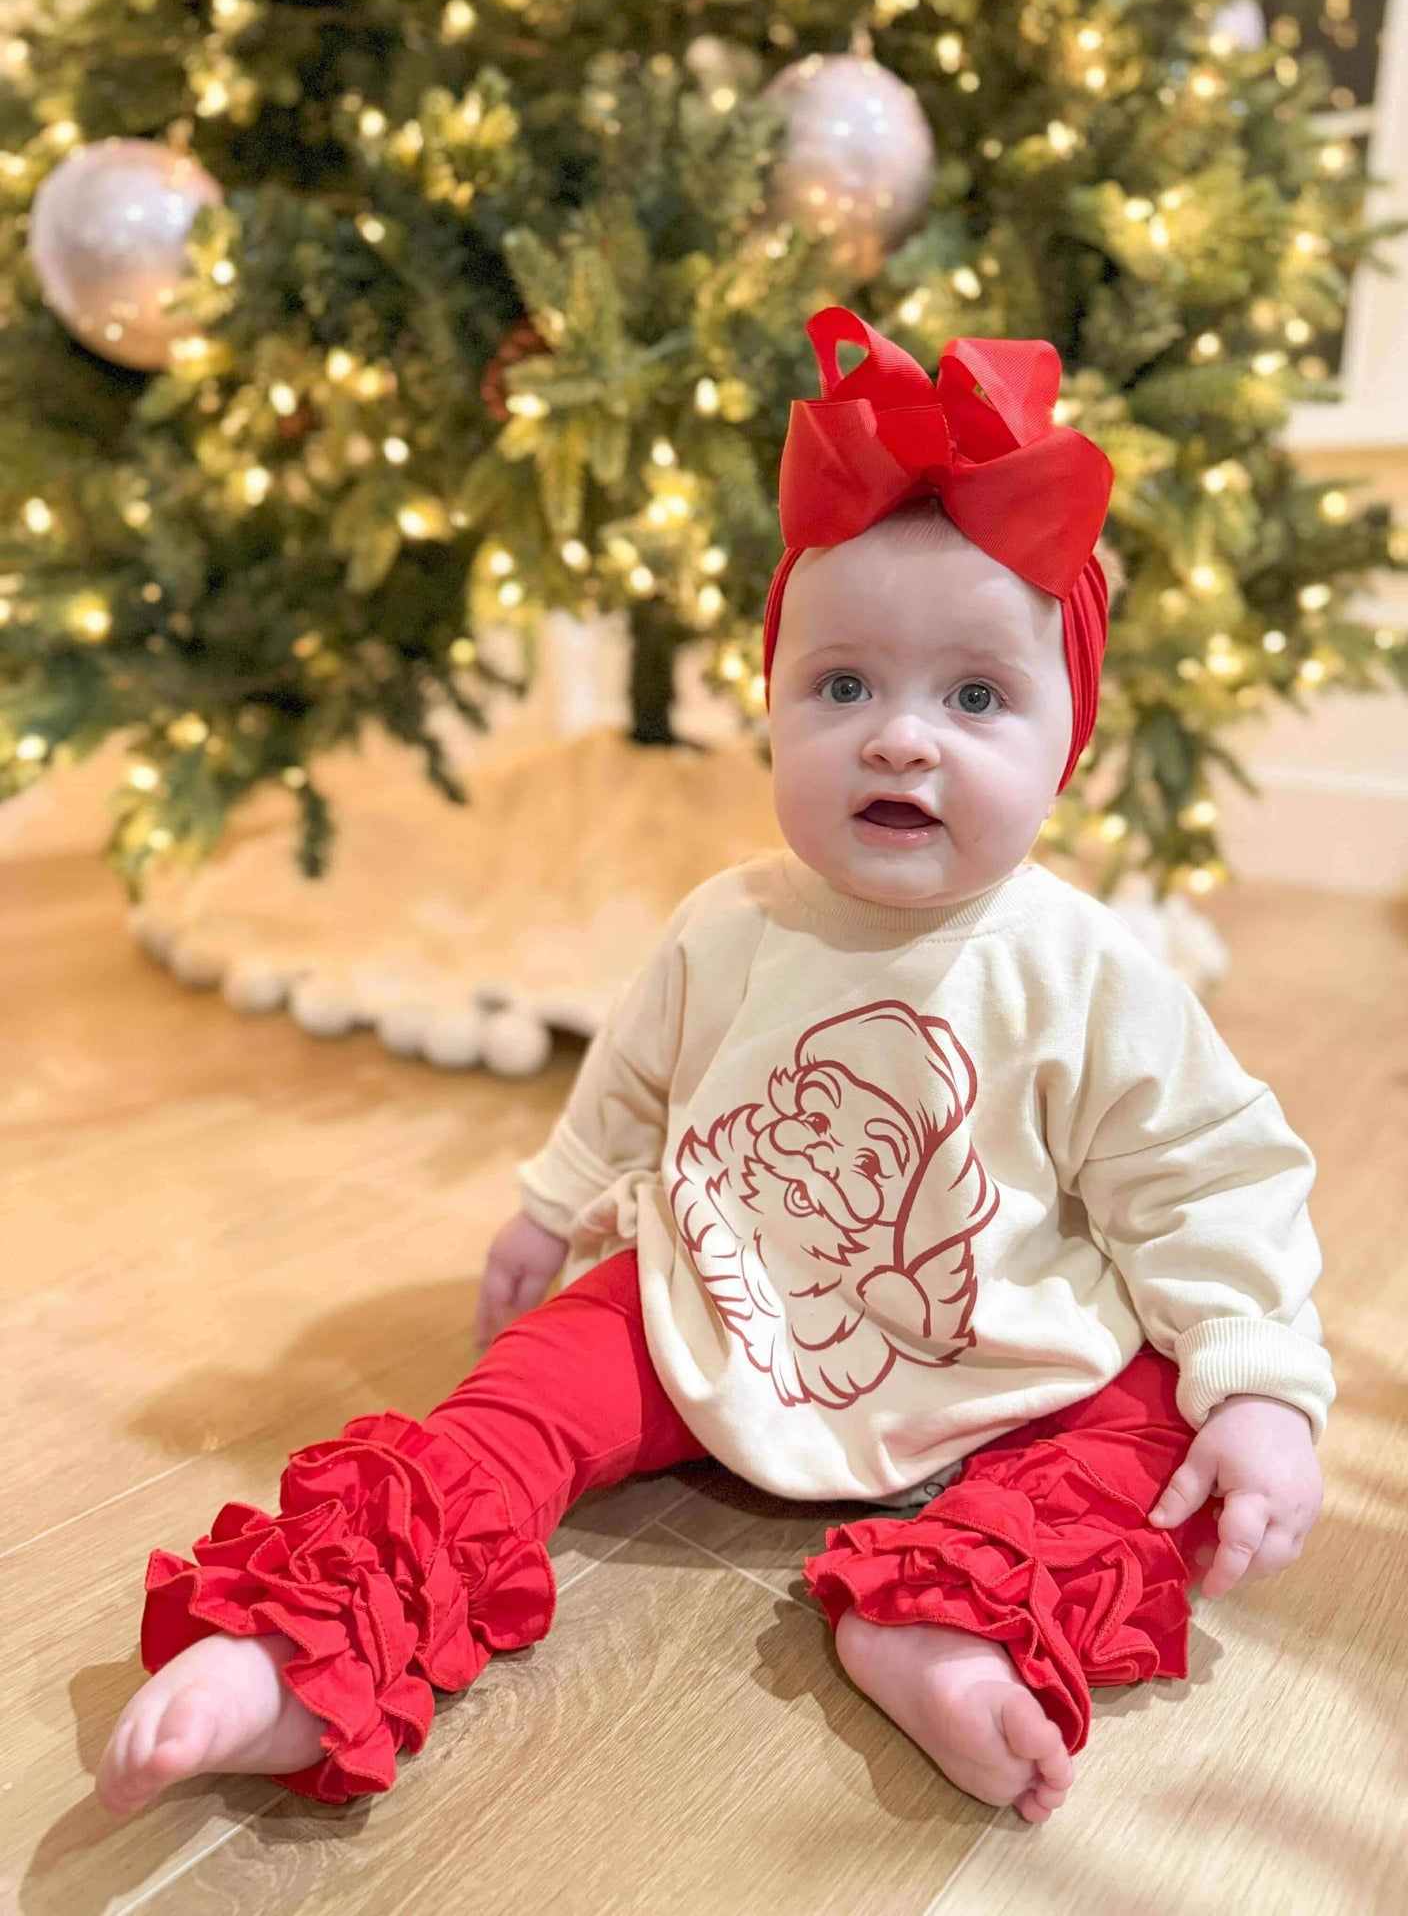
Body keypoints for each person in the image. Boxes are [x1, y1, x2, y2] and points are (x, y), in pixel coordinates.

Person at [97, 307, 1331, 1827]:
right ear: (769, 700)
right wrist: (548, 1213)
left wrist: (1259, 1383)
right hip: (709, 1297)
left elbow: (1200, 1177)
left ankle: (942, 1621)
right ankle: (305, 1649)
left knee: (1150, 1424)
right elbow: (630, 1082)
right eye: (841, 688)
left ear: (1065, 735)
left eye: (973, 698)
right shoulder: (729, 920)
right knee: (509, 1402)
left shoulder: (1085, 967)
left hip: (998, 1355)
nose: (898, 742)